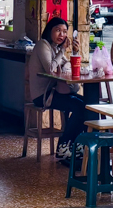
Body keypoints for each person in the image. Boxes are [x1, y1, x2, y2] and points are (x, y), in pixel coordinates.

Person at [26, 17, 87, 161]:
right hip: (43, 96)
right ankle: (64, 145)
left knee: (87, 104)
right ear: (49, 30)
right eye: (58, 30)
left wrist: (75, 52)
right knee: (79, 106)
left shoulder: (56, 48)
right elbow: (50, 69)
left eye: (65, 32)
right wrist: (63, 50)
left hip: (56, 93)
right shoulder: (43, 45)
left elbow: (70, 66)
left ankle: (76, 144)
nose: (62, 35)